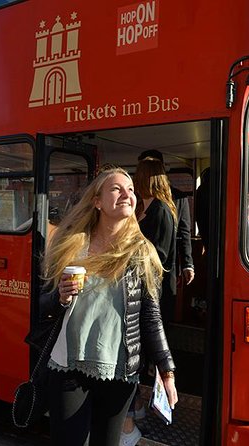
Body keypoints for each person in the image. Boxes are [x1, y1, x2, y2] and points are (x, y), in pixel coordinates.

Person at [41, 166, 177, 446]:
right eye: (116, 188)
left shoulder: (142, 252)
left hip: (119, 370)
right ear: (98, 201)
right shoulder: (71, 244)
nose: (126, 194)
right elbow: (43, 303)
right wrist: (61, 298)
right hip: (68, 367)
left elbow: (152, 317)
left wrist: (167, 371)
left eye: (130, 190)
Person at [120, 157, 178, 446]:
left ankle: (136, 411)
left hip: (149, 295)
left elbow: (160, 257)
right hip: (142, 294)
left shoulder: (160, 212)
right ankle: (139, 406)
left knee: (137, 355)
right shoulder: (151, 208)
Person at [138, 150, 195, 286]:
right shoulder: (137, 198)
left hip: (162, 266)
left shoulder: (175, 200)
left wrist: (187, 264)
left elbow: (184, 232)